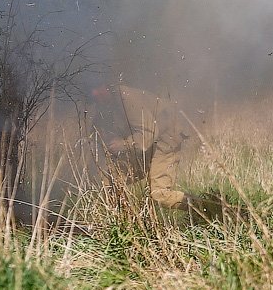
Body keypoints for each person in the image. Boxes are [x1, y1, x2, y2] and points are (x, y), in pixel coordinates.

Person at [92, 81, 223, 218]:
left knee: (159, 195)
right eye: (91, 91)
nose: (94, 94)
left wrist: (123, 144)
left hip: (165, 139)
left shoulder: (127, 99)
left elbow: (148, 134)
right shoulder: (105, 105)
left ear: (106, 86)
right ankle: (122, 222)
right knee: (110, 181)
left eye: (96, 88)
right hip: (146, 144)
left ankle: (213, 209)